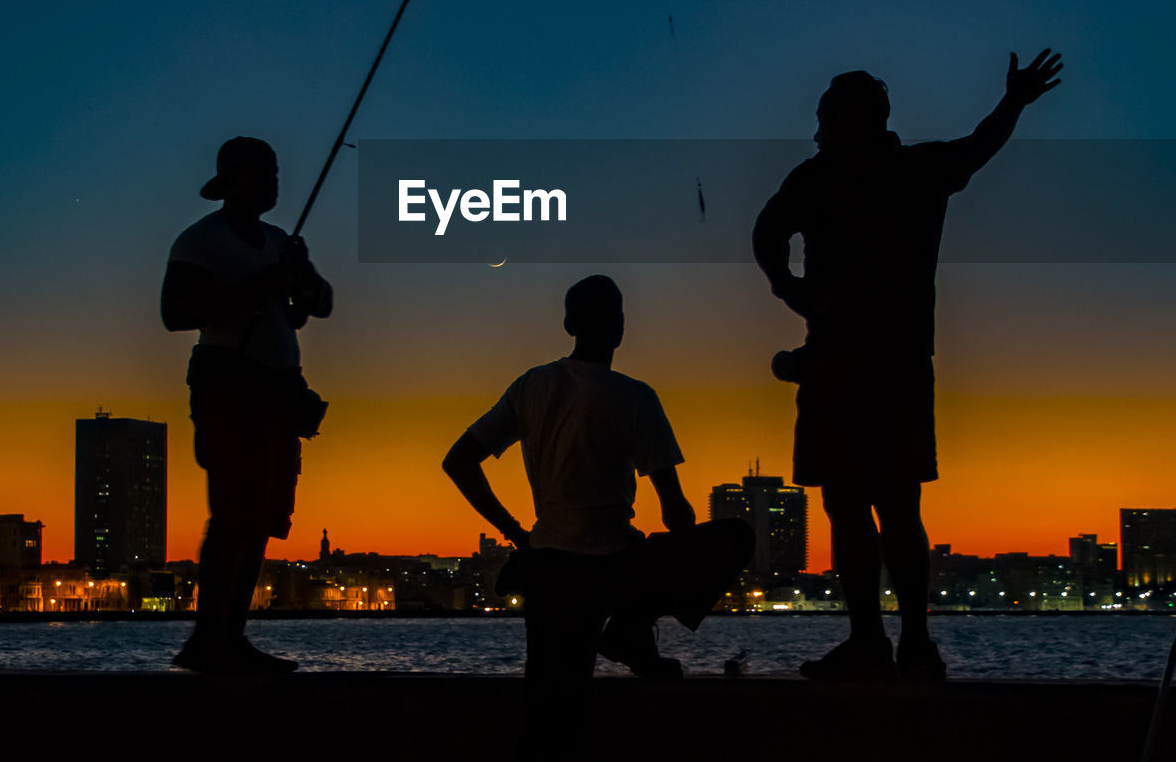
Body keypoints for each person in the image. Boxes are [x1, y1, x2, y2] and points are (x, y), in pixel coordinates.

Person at [752, 50, 1062, 682]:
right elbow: (979, 146)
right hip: (892, 363)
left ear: (844, 121)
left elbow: (765, 235)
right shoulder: (910, 170)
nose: (815, 133)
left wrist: (792, 288)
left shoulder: (823, 176)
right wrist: (1014, 102)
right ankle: (910, 642)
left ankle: (874, 641)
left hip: (845, 363)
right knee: (896, 506)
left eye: (822, 120)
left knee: (855, 505)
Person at [443, 275, 753, 757]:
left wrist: (515, 534)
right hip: (614, 569)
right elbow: (676, 512)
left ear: (569, 324)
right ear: (621, 328)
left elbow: (458, 462)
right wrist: (674, 567)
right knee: (735, 537)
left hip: (548, 570)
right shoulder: (635, 397)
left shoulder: (531, 386)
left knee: (552, 717)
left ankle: (628, 636)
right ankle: (631, 631)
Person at [162, 136, 333, 673]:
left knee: (261, 518)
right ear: (232, 181)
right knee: (233, 513)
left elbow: (319, 304)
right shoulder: (200, 242)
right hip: (228, 386)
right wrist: (259, 283)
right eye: (263, 173)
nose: (275, 183)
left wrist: (299, 274)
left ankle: (228, 637)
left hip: (279, 390)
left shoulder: (279, 241)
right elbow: (176, 312)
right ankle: (208, 639)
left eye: (276, 173)